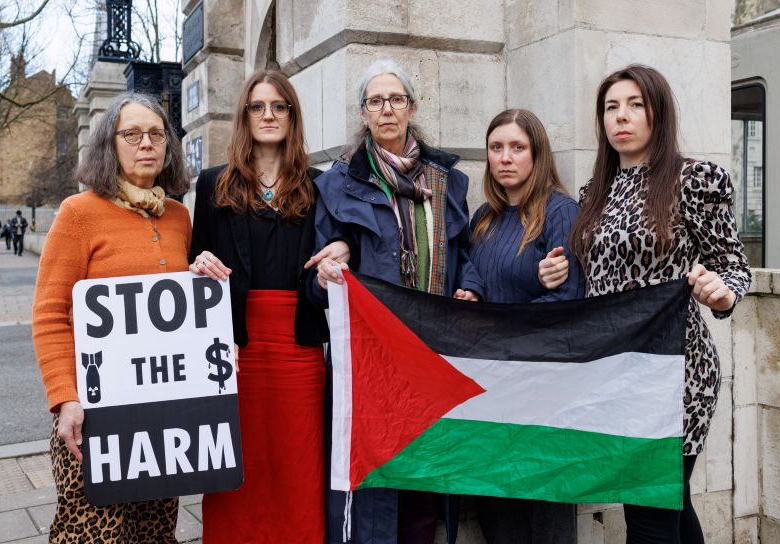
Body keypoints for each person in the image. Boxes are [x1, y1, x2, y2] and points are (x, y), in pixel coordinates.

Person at [539, 64, 751, 543]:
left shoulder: (696, 180)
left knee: (649, 516)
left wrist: (723, 291)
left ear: (659, 113)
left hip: (676, 373)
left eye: (635, 105)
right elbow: (599, 273)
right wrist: (558, 271)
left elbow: (734, 264)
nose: (622, 116)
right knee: (668, 506)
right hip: (615, 372)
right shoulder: (597, 190)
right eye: (612, 107)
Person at [308, 58, 484, 544]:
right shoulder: (336, 183)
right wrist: (326, 274)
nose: (387, 109)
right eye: (375, 101)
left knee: (424, 485)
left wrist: (471, 287)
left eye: (396, 99)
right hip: (370, 365)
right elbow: (313, 280)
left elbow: (464, 250)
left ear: (412, 107)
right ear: (363, 113)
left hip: (431, 357)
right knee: (375, 484)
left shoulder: (448, 181)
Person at [31, 92, 190, 543]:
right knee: (90, 534)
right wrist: (65, 399)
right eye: (132, 134)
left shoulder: (178, 217)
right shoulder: (78, 214)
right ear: (109, 144)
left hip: (163, 416)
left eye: (157, 134)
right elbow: (49, 314)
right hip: (94, 414)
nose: (146, 144)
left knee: (156, 532)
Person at [188, 69, 333, 543]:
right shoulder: (212, 186)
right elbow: (196, 261)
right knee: (236, 463)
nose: (268, 115)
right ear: (244, 117)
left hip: (298, 347)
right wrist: (198, 262)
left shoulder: (319, 186)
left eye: (278, 106)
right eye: (258, 106)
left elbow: (331, 255)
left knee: (297, 462)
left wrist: (343, 253)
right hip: (234, 348)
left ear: (292, 116)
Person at [468, 109, 582, 543]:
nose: (505, 158)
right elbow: (471, 270)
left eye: (517, 148)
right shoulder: (484, 217)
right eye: (496, 148)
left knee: (544, 512)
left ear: (537, 154)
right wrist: (471, 291)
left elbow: (566, 302)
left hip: (541, 390)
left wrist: (510, 318)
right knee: (498, 512)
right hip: (490, 390)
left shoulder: (559, 212)